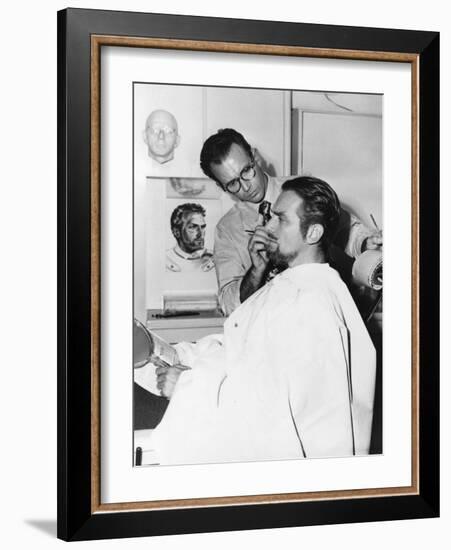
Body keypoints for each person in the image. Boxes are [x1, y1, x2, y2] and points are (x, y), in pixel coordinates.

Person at [151, 177, 376, 465]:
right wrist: (177, 355)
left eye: (280, 220)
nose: (267, 228)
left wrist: (187, 386)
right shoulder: (291, 284)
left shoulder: (313, 304)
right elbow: (242, 348)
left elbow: (270, 417)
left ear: (313, 233)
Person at [200, 128, 382, 315]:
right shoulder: (227, 229)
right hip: (270, 325)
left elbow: (346, 230)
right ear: (221, 186)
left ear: (255, 157)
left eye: (246, 170)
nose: (245, 186)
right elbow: (229, 304)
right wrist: (256, 271)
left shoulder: (300, 190)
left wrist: (366, 242)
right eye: (232, 183)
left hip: (321, 312)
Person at [166, 203, 214, 273]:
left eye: (203, 227)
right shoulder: (165, 260)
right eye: (193, 227)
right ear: (176, 232)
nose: (200, 234)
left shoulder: (215, 258)